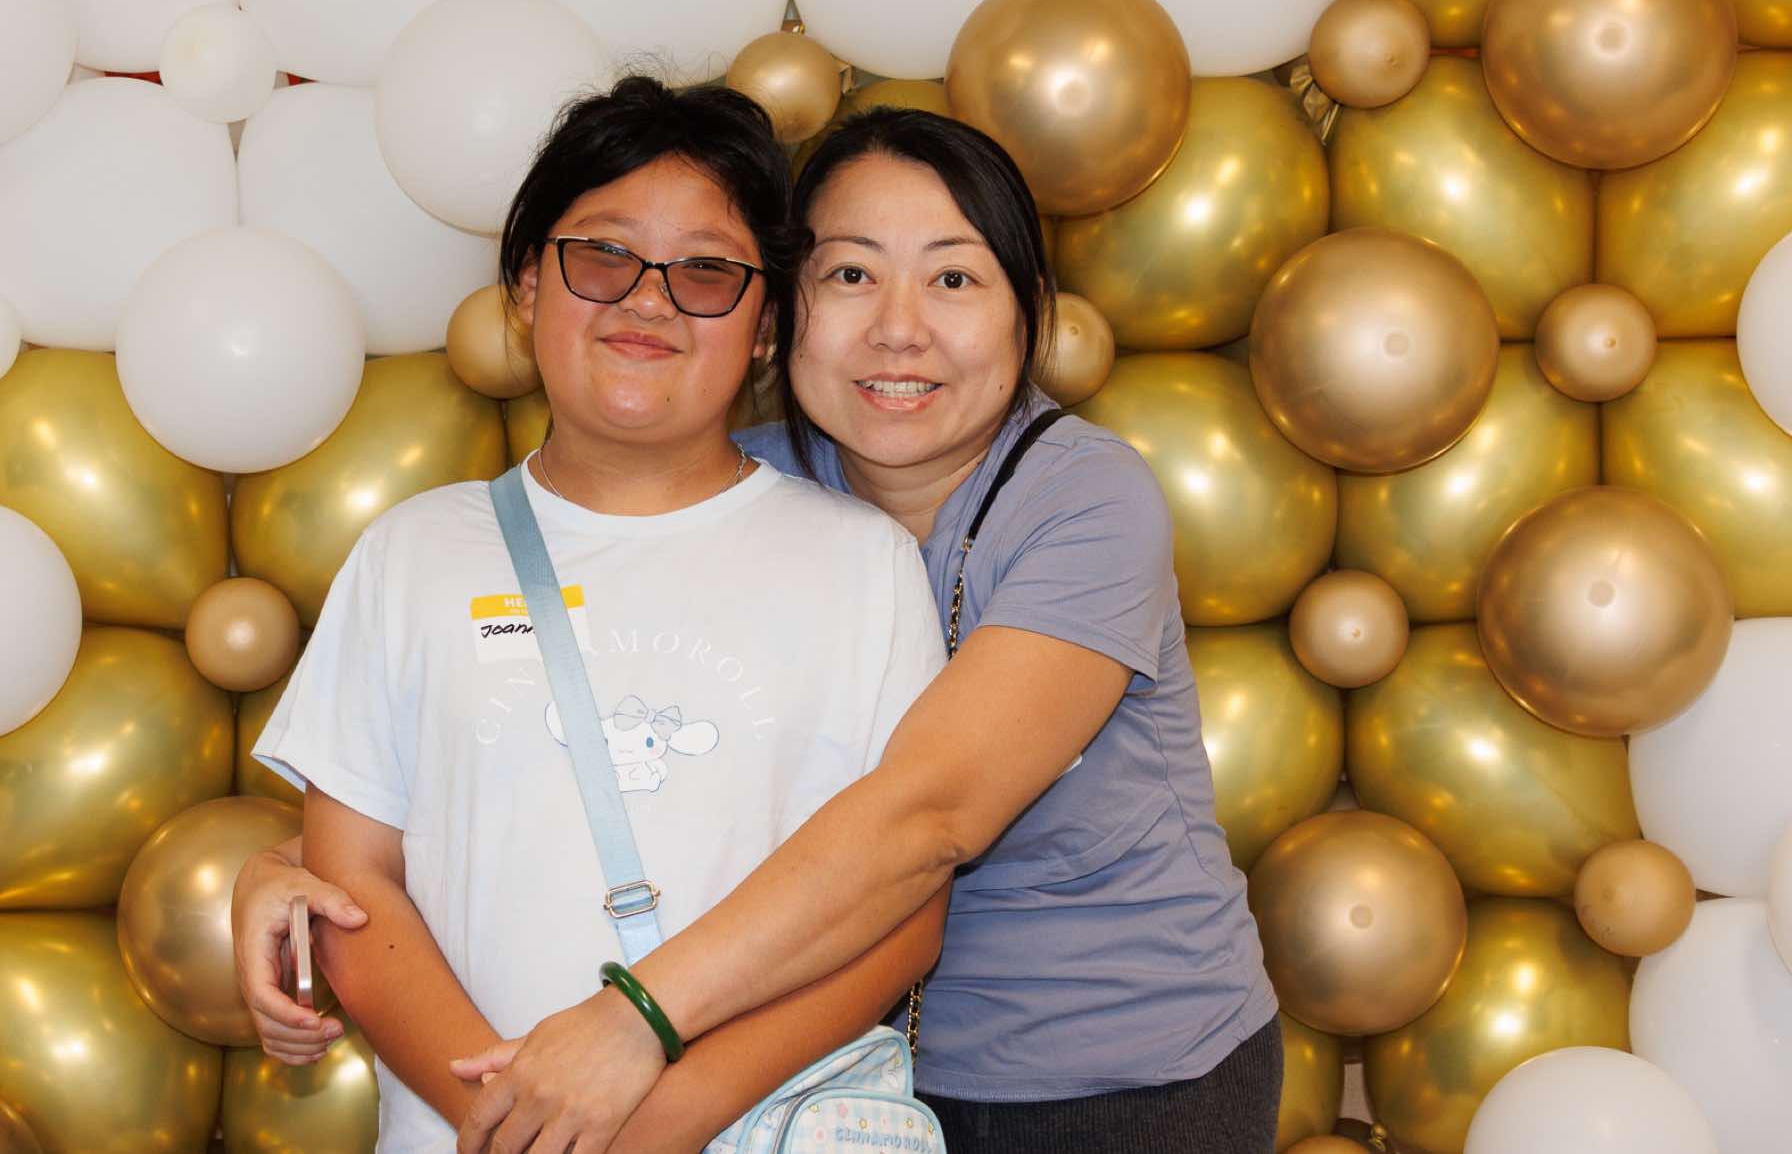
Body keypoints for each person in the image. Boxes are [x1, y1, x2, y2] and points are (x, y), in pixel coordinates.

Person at [238, 107, 1283, 1154]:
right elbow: (503, 763)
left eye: (954, 278)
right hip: (855, 1090)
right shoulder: (724, 479)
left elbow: (924, 818)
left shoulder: (1080, 502)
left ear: (1027, 311)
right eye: (851, 273)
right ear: (790, 311)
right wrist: (297, 867)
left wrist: (633, 1033)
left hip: (1115, 1070)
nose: (899, 327)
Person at [246, 76, 952, 1153]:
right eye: (603, 255)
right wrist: (515, 1131)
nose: (647, 300)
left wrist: (658, 1125)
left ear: (766, 325)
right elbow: (351, 886)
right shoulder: (412, 553)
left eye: (706, 271)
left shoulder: (864, 565)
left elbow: (900, 918)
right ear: (528, 285)